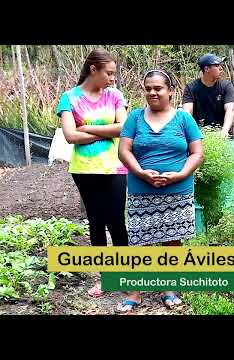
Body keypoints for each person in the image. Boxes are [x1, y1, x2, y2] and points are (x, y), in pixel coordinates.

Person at [118, 69, 204, 312]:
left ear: (170, 91)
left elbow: (197, 153)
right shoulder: (134, 118)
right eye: (148, 88)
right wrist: (141, 173)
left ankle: (168, 288)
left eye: (158, 88)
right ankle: (135, 293)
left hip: (177, 191)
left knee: (172, 240)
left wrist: (181, 174)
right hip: (141, 189)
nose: (152, 92)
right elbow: (124, 151)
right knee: (138, 241)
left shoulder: (184, 119)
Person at [56, 48, 128, 298]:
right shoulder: (69, 98)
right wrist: (105, 131)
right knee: (96, 221)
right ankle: (104, 277)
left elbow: (123, 127)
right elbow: (70, 135)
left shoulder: (115, 95)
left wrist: (87, 128)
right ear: (93, 70)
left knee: (117, 221)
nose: (112, 79)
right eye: (109, 73)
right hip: (84, 169)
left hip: (115, 166)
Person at [182, 53, 234, 138]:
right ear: (206, 69)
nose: (221, 68)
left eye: (220, 65)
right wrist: (194, 134)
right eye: (217, 66)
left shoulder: (226, 86)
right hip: (199, 135)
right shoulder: (191, 88)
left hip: (224, 135)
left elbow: (230, 110)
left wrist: (224, 131)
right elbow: (187, 114)